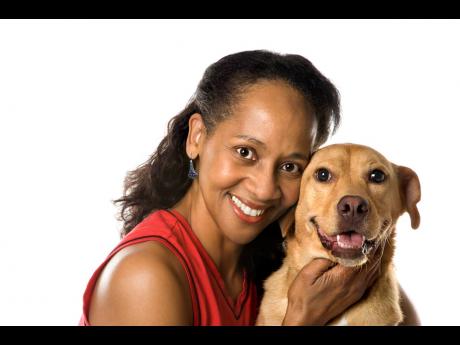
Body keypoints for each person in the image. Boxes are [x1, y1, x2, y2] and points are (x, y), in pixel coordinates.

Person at [79, 50, 419, 326]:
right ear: (197, 137)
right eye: (245, 152)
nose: (264, 188)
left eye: (290, 167)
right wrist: (301, 321)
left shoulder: (271, 255)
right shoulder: (144, 277)